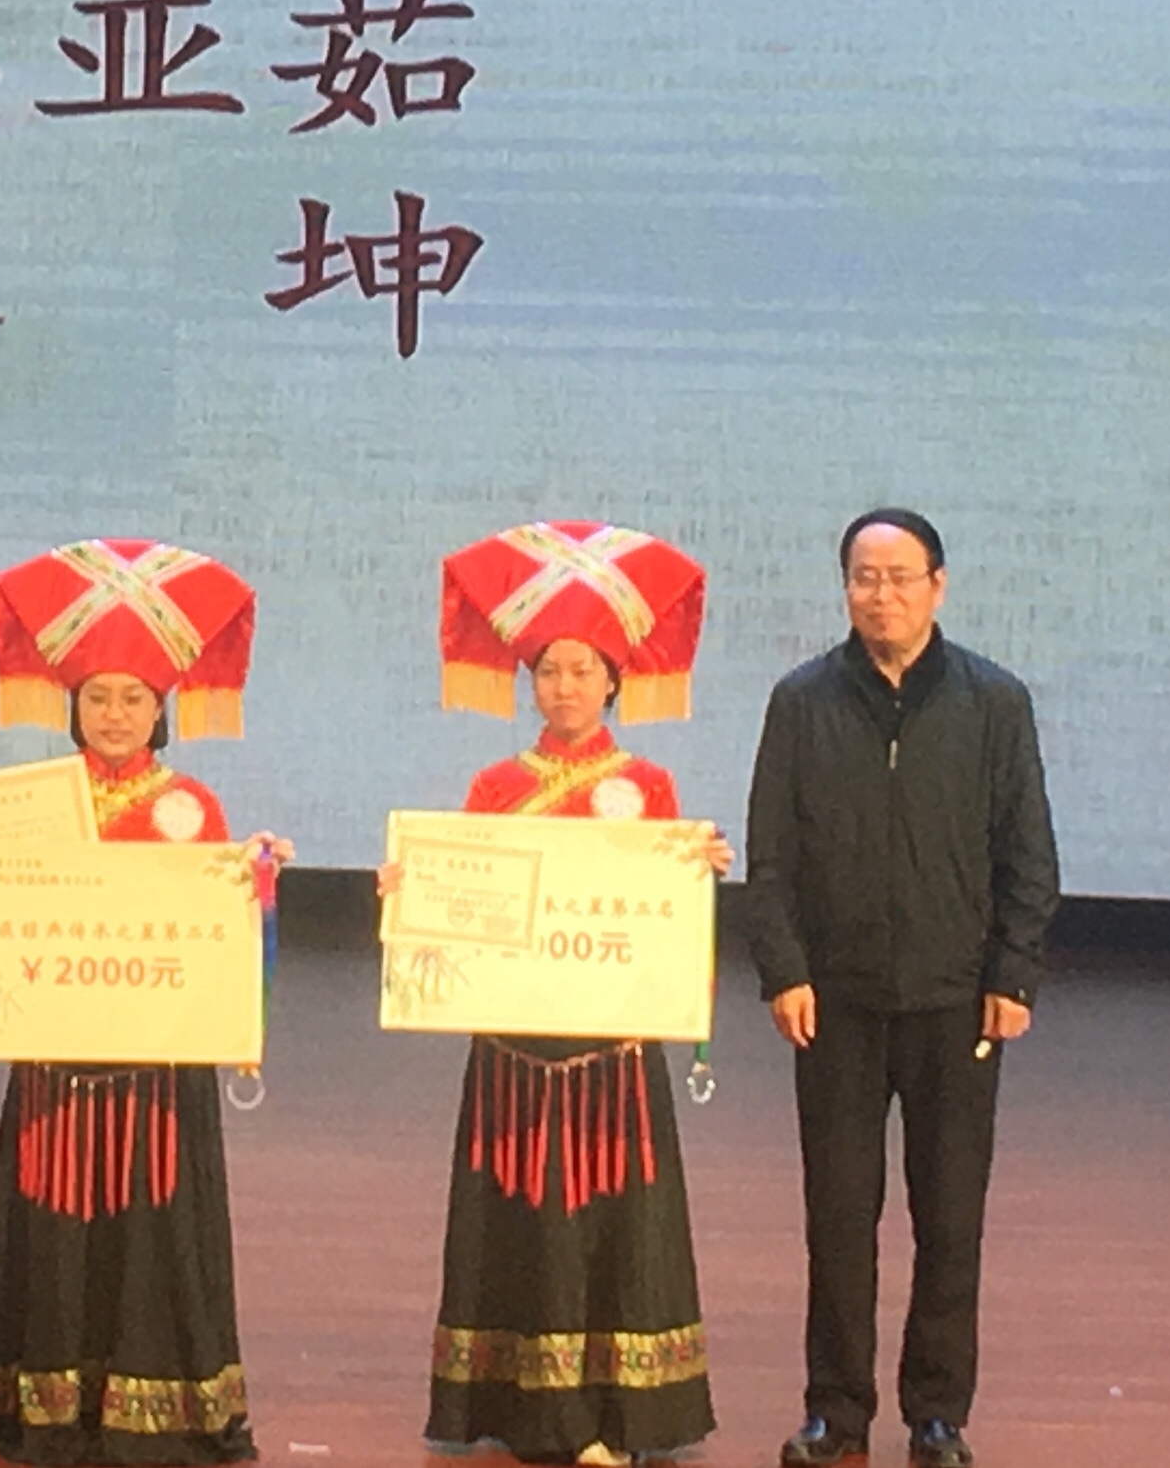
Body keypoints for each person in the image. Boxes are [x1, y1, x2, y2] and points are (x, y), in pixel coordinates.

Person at [0, 538, 285, 1466]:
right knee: (51, 1227)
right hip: (55, 1061)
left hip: (156, 1069)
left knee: (152, 1228)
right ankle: (48, 1404)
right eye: (98, 697)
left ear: (162, 707)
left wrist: (254, 882)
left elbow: (218, 937)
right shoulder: (26, 807)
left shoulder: (193, 808)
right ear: (73, 705)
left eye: (134, 697)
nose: (116, 714)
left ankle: (157, 1404)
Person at [411, 521, 728, 1467]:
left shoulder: (649, 786)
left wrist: (695, 875)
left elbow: (664, 922)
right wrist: (414, 890)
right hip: (514, 1055)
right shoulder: (495, 786)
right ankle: (524, 1410)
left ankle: (622, 1415)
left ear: (613, 680)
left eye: (583, 670)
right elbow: (460, 911)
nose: (565, 687)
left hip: (611, 1057)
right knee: (521, 1225)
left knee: (613, 1228)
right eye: (548, 671)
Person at [747, 511, 1059, 1468]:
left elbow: (1029, 852)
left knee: (949, 1218)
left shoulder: (992, 701)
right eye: (863, 576)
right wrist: (784, 970)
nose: (880, 594)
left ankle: (937, 1413)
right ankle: (835, 1409)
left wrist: (1013, 972)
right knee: (839, 1219)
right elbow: (770, 855)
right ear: (844, 586)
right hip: (834, 1005)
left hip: (954, 1002)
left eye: (898, 576)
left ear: (938, 585)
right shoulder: (801, 701)